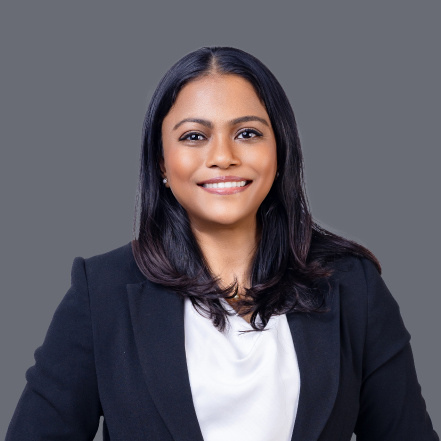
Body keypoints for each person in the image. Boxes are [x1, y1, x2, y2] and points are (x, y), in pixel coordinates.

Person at [6, 46, 438, 441]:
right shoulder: (101, 292)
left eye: (247, 133)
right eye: (194, 136)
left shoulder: (353, 285)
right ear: (161, 161)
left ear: (279, 150)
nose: (223, 157)